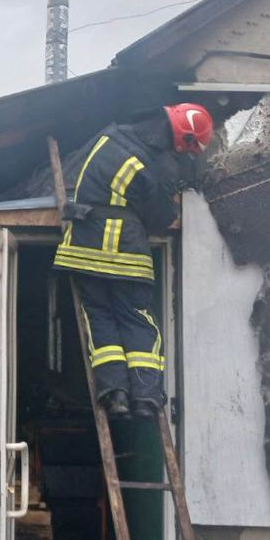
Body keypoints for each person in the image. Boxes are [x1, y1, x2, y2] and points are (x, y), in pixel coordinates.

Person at [53, 104, 213, 419]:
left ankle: (116, 395)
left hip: (85, 247)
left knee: (99, 319)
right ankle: (146, 398)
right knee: (137, 319)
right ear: (184, 135)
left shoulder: (110, 137)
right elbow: (160, 217)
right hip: (124, 251)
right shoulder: (147, 166)